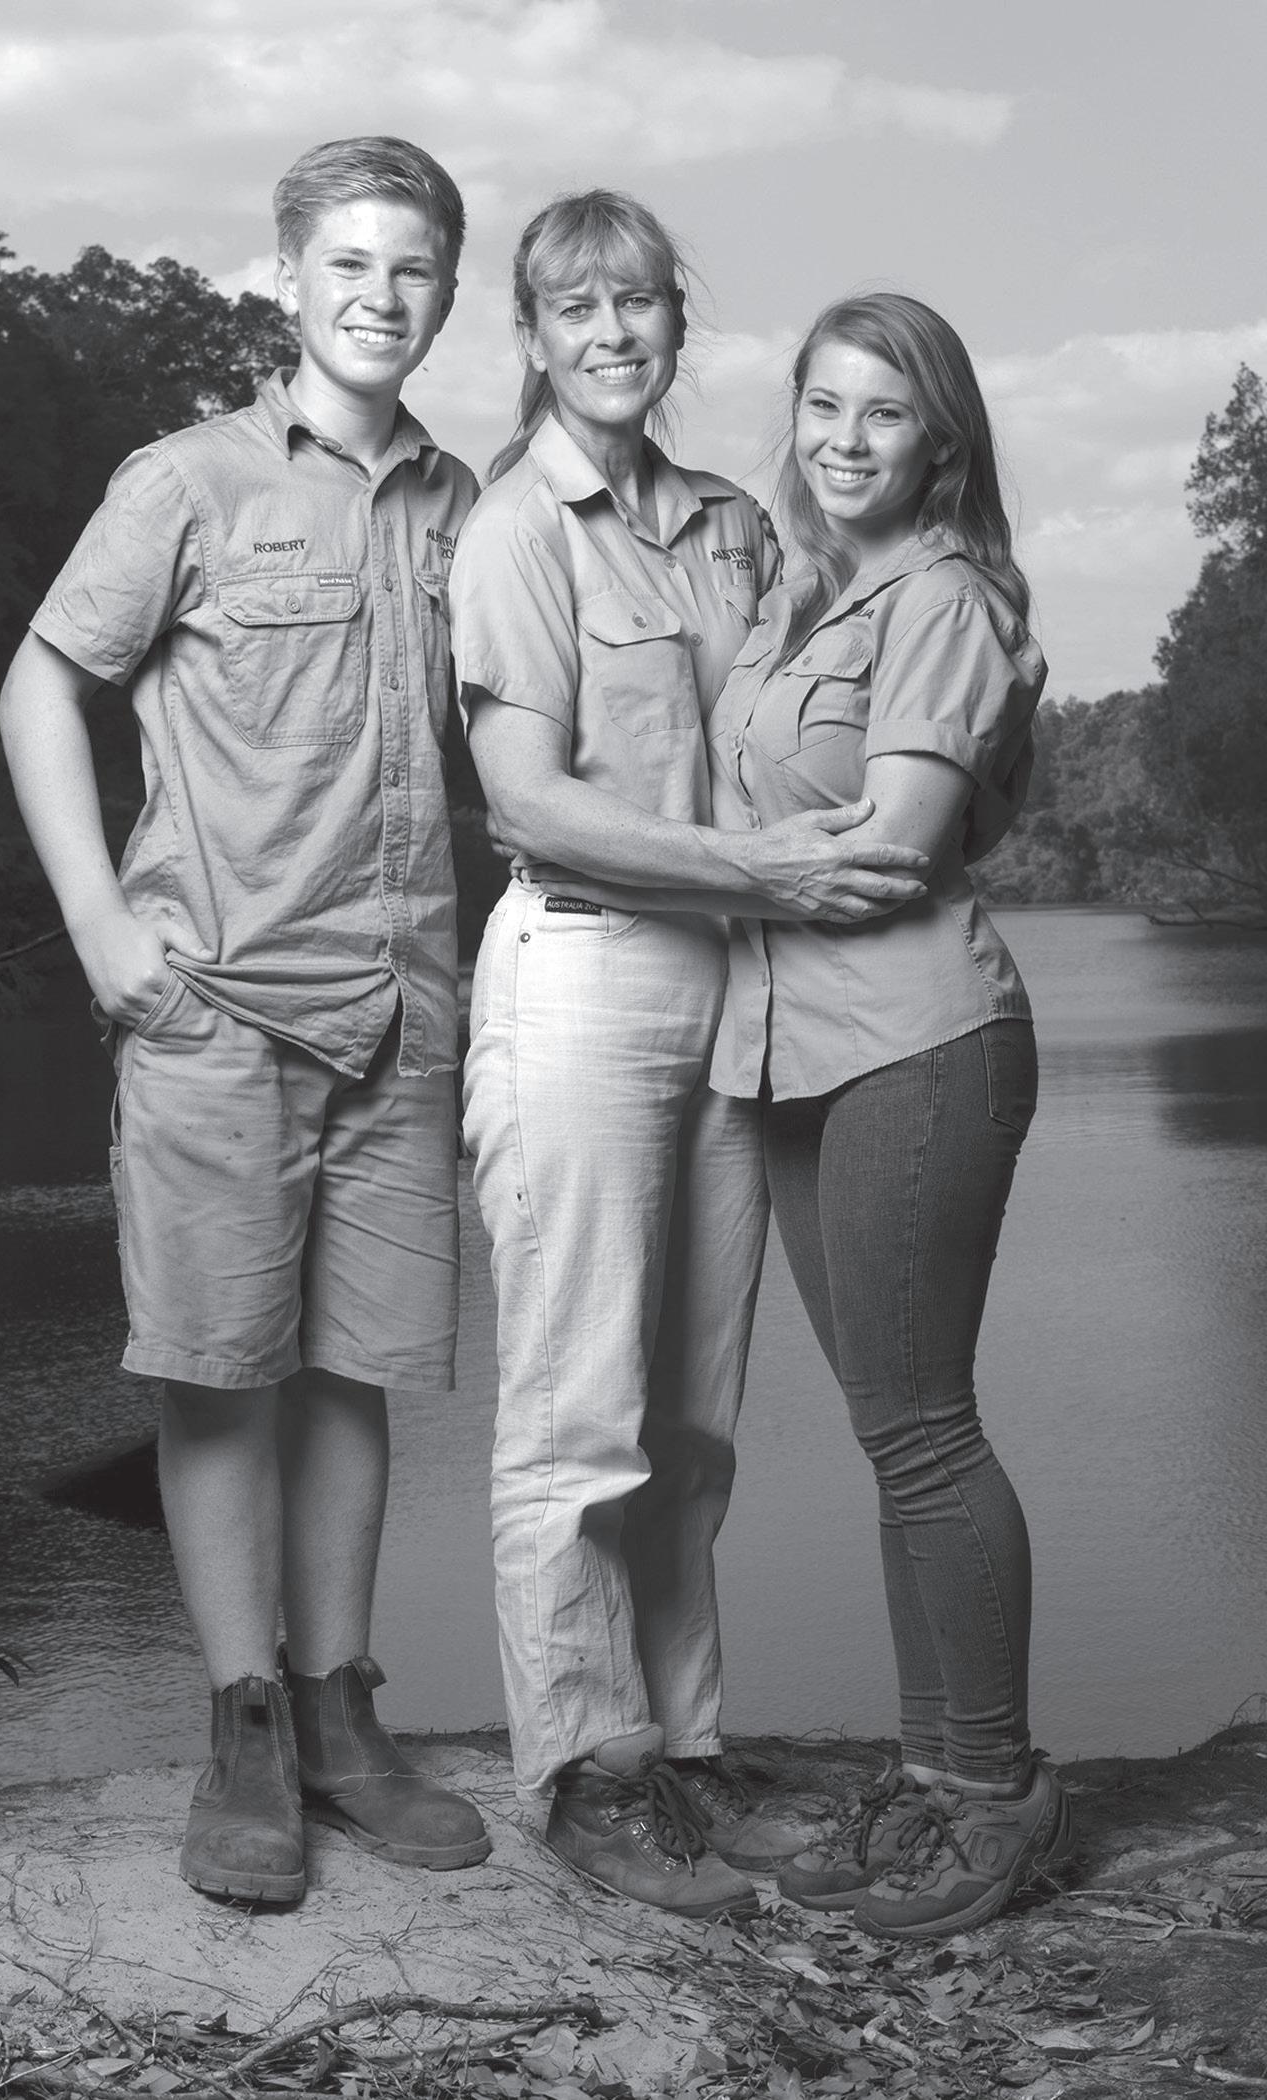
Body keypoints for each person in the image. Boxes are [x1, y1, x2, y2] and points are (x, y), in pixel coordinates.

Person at [0, 137, 490, 1906]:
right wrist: (95, 921)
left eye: (413, 267)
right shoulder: (187, 482)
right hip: (215, 1007)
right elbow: (42, 684)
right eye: (349, 262)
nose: (380, 295)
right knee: (219, 1377)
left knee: (357, 1375)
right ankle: (246, 1730)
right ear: (287, 279)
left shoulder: (464, 503)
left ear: (448, 292)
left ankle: (344, 1713)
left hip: (402, 1013)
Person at [449, 195, 928, 1920]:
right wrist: (762, 870)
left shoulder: (733, 524)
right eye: (576, 307)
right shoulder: (515, 529)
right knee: (575, 1412)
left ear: (674, 321)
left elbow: (814, 717)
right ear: (532, 333)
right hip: (582, 976)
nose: (613, 334)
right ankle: (586, 1773)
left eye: (639, 302)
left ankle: (688, 1749)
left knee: (693, 1420)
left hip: (734, 985)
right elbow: (527, 802)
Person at [703, 291, 1071, 1939]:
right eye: (824, 407)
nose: (846, 441)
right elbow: (796, 826)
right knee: (889, 1436)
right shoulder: (803, 602)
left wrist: (672, 867)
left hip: (920, 1046)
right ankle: (928, 1779)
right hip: (798, 1054)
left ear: (942, 442)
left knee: (926, 1429)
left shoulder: (944, 603)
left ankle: (997, 1795)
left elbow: (898, 848)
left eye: (885, 412)